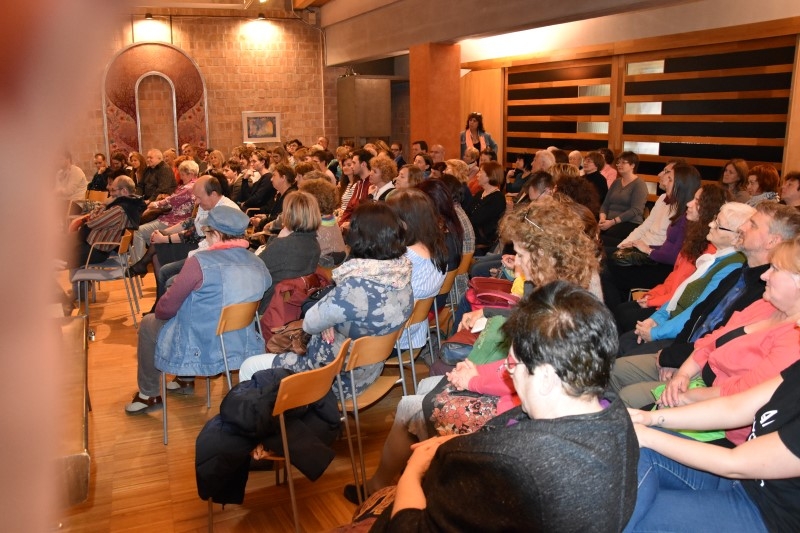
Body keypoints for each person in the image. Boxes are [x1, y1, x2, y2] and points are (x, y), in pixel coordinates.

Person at [349, 198, 602, 503]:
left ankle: (414, 485)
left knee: (413, 406)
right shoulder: (558, 291)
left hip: (518, 415)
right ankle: (414, 481)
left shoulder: (555, 310)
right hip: (520, 399)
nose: (517, 262)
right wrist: (477, 369)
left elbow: (525, 374)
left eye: (521, 254)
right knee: (422, 394)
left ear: (543, 256)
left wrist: (474, 378)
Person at [367, 281, 638, 532]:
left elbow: (408, 527)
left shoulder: (510, 467)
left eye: (512, 364)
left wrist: (414, 470)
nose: (509, 373)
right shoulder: (615, 415)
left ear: (545, 377)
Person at [239, 202, 414, 399]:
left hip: (329, 378)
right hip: (368, 372)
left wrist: (329, 321)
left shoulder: (355, 287)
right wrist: (332, 321)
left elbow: (310, 322)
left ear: (359, 238)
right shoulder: (403, 278)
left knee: (249, 366)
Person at [624, 359, 800, 532]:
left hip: (768, 515)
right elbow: (734, 407)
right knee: (634, 450)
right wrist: (649, 418)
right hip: (741, 482)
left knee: (643, 517)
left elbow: (735, 464)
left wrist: (648, 436)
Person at [125, 206, 270, 413]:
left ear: (216, 234)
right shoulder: (258, 263)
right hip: (239, 342)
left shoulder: (199, 263)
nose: (206, 238)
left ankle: (148, 394)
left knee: (150, 323)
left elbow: (166, 309)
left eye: (207, 233)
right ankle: (184, 379)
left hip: (201, 345)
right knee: (194, 313)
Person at [618, 202, 754, 356]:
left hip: (683, 336)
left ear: (737, 237)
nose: (711, 224)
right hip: (671, 322)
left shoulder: (732, 267)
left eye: (718, 224)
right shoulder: (716, 258)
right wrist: (655, 319)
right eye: (715, 220)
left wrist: (656, 332)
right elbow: (679, 295)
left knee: (626, 345)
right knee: (625, 340)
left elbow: (698, 311)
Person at [613, 183, 729, 331]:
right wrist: (652, 295)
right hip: (667, 300)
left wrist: (654, 301)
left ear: (709, 209)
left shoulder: (709, 251)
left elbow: (685, 295)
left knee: (624, 315)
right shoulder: (694, 239)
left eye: (697, 201)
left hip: (672, 310)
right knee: (621, 310)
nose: (689, 204)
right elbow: (673, 279)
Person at [608, 162, 701, 300]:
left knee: (609, 269)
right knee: (607, 262)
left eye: (670, 179)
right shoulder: (673, 207)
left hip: (662, 266)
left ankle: (616, 306)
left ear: (681, 186)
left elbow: (673, 256)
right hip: (656, 256)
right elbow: (650, 231)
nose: (665, 180)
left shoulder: (686, 217)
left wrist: (647, 250)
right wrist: (632, 244)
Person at [387, 189, 448, 350]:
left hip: (391, 341)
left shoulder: (405, 258)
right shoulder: (438, 250)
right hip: (415, 335)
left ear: (404, 223)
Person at [256, 190, 321, 313]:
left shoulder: (284, 245)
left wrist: (277, 239)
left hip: (267, 307)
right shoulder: (314, 245)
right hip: (292, 308)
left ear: (289, 215)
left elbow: (255, 268)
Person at [67, 175, 144, 270]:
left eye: (113, 190)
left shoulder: (119, 210)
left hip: (95, 250)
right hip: (93, 245)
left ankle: (77, 277)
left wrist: (104, 204)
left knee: (57, 251)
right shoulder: (130, 204)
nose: (110, 193)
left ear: (124, 191)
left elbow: (91, 222)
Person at [131, 159, 199, 264]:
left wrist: (156, 204)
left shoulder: (189, 187)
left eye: (182, 174)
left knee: (139, 232)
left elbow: (172, 201)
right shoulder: (195, 185)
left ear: (191, 174)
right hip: (177, 220)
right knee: (151, 236)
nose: (181, 177)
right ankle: (154, 259)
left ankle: (139, 263)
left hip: (174, 221)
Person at [599, 151, 649, 247]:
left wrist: (612, 222)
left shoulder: (639, 184)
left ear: (632, 165)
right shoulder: (616, 182)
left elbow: (636, 210)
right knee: (590, 234)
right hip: (609, 221)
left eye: (623, 162)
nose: (619, 165)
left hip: (629, 222)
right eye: (618, 162)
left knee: (604, 238)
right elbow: (605, 204)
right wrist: (602, 219)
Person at [299, 178, 346, 267]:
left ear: (312, 203)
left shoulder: (311, 229)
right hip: (333, 271)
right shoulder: (331, 221)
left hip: (317, 271)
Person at [468, 160, 506, 256]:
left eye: (481, 172)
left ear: (489, 176)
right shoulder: (480, 193)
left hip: (483, 244)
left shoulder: (498, 198)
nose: (477, 175)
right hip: (471, 237)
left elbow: (476, 220)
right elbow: (467, 212)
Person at [338, 149, 373, 227]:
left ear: (363, 164)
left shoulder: (372, 184)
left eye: (354, 163)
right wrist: (341, 223)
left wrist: (350, 224)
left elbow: (366, 212)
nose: (352, 166)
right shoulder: (359, 183)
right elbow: (349, 208)